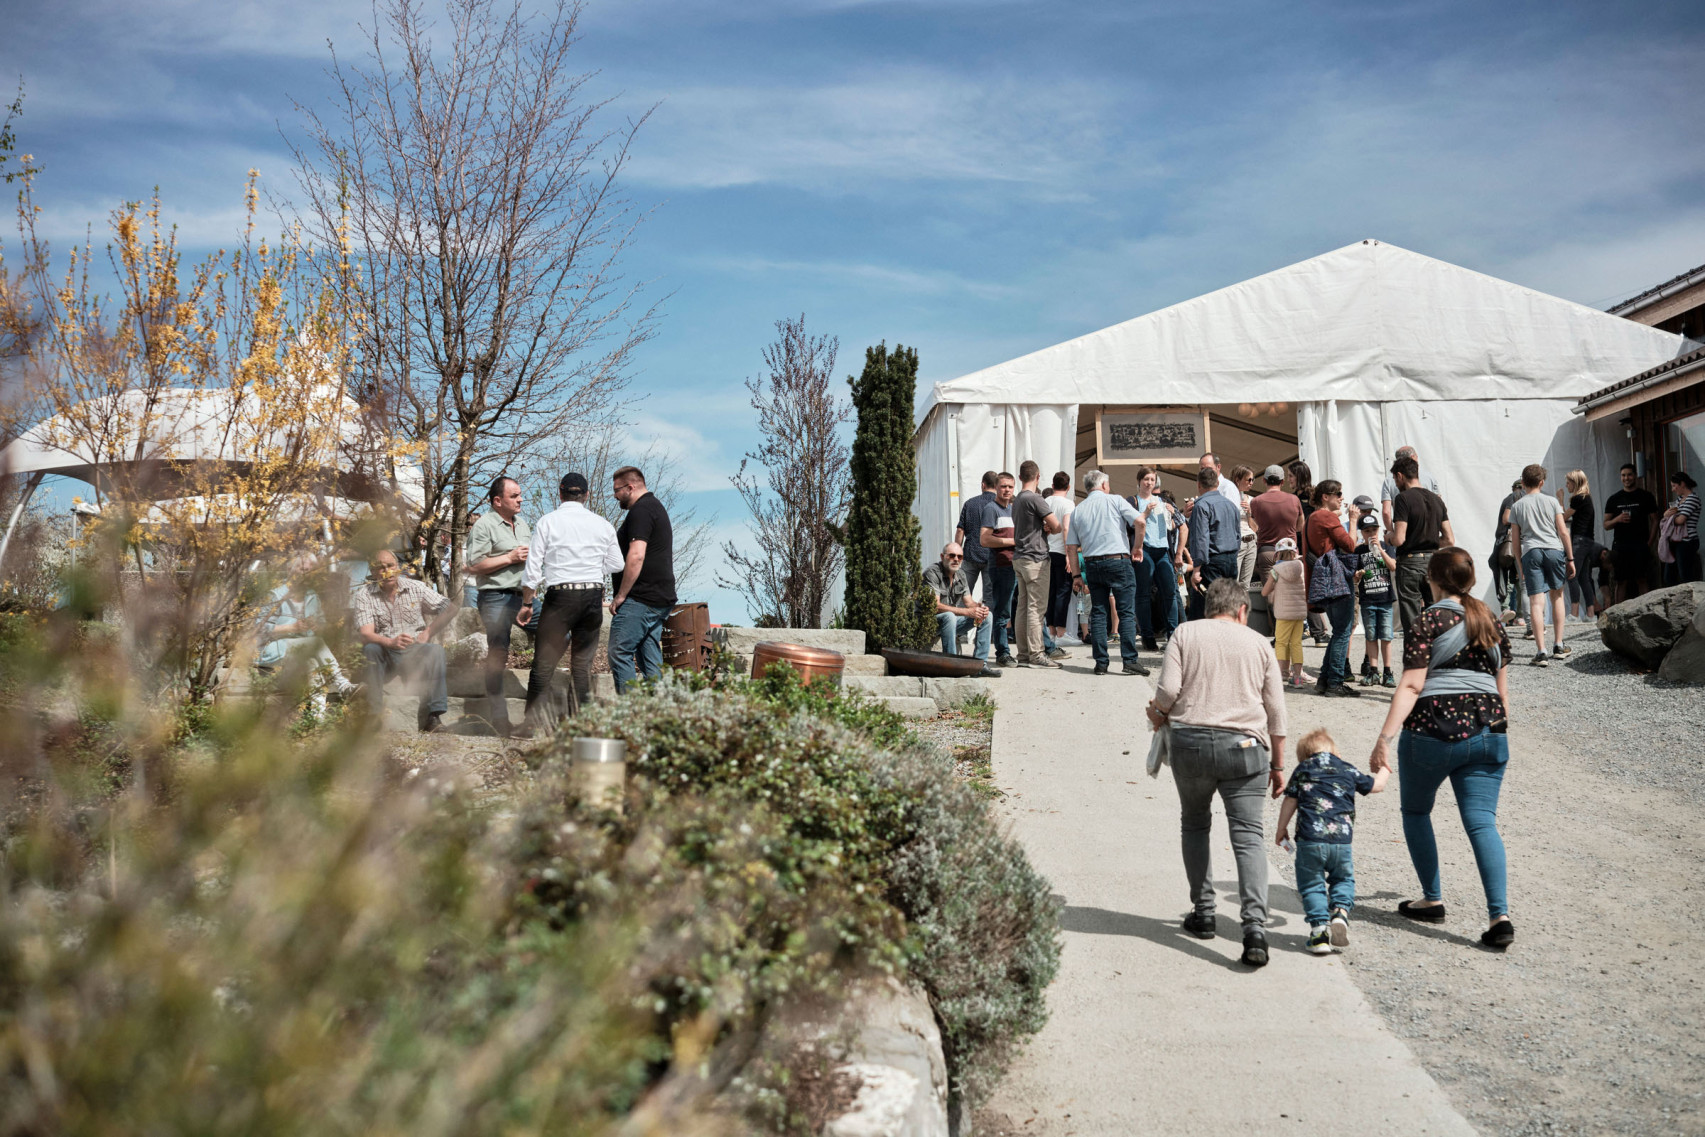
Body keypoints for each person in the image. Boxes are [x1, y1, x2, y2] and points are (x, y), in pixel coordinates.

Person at [1369, 547, 1515, 950]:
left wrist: (1384, 739)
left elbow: (1414, 684)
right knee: (1482, 822)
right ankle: (1499, 915)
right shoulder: (1489, 619)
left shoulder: (1427, 620)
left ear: (1430, 579)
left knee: (1416, 811)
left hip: (1432, 730)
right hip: (1489, 729)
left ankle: (1431, 897)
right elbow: (1501, 692)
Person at [1146, 577, 1288, 969]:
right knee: (1248, 836)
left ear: (1209, 607)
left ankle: (1204, 911)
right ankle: (1255, 928)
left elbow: (1168, 689)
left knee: (1194, 823)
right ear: (1243, 610)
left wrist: (1156, 714)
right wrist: (1278, 765)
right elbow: (1276, 713)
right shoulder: (1259, 643)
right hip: (1245, 750)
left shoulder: (1185, 633)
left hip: (1191, 744)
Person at [514, 473, 624, 736]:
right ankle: (582, 729)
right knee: (581, 667)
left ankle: (530, 726)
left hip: (560, 596)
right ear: (586, 495)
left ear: (560, 493)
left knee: (543, 664)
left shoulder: (547, 522)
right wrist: (592, 567)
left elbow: (532, 570)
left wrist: (527, 603)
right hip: (591, 598)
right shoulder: (603, 525)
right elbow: (617, 564)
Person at [1275, 727, 1389, 954]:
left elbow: (1290, 800)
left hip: (1310, 840)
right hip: (1341, 842)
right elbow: (1378, 786)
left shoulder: (1304, 768)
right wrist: (1385, 768)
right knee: (1343, 879)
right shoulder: (1346, 768)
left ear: (1305, 755)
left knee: (1311, 885)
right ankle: (1340, 913)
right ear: (1335, 751)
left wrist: (1281, 829)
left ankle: (1319, 933)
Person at [353, 548, 456, 732]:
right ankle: (373, 717)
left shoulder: (415, 587)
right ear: (373, 571)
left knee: (436, 650)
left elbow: (449, 607)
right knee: (370, 649)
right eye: (381, 567)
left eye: (391, 565)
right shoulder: (364, 594)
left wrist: (428, 632)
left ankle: (434, 718)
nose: (387, 571)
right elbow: (365, 634)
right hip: (385, 652)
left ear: (398, 567)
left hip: (414, 650)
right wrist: (390, 642)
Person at [1064, 469, 1148, 676]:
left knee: (1099, 612)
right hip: (1118, 560)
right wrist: (1137, 547)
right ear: (1103, 485)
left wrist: (1076, 575)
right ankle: (1129, 660)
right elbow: (1140, 521)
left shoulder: (1078, 510)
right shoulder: (1115, 500)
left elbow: (1071, 547)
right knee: (1126, 612)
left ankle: (1101, 663)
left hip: (1092, 564)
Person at [464, 475, 531, 734]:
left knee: (560, 632)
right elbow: (474, 565)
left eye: (520, 494)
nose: (520, 499)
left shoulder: (523, 524)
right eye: (514, 496)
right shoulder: (483, 525)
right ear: (497, 500)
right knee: (498, 653)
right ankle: (499, 719)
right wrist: (510, 557)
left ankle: (533, 715)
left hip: (523, 597)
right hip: (494, 597)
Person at [256, 557, 363, 709]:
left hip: (302, 650)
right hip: (274, 650)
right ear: (289, 571)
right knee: (316, 643)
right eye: (303, 569)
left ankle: (317, 718)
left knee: (312, 664)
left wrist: (317, 626)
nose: (307, 574)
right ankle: (342, 685)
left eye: (310, 571)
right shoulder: (276, 595)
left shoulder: (312, 596)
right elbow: (259, 629)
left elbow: (322, 625)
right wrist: (292, 628)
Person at [608, 466, 677, 693]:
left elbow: (636, 555)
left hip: (641, 598)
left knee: (619, 652)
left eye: (617, 490)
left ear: (631, 486)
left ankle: (631, 718)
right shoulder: (654, 507)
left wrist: (621, 595)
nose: (615, 495)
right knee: (649, 656)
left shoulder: (642, 510)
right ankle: (658, 718)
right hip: (657, 598)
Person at [1507, 464, 1575, 666]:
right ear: (1542, 482)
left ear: (1523, 482)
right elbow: (1563, 532)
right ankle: (1559, 645)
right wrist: (1570, 558)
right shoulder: (1552, 501)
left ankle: (1541, 651)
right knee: (1557, 596)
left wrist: (1520, 565)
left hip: (1531, 551)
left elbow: (1516, 541)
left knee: (1537, 601)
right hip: (1554, 549)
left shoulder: (1518, 506)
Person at [1304, 480, 1359, 697]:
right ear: (1325, 496)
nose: (1341, 498)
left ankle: (1324, 680)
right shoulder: (1326, 516)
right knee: (1343, 632)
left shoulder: (1311, 518)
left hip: (1323, 581)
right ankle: (1335, 682)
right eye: (1338, 494)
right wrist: (1353, 521)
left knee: (1338, 632)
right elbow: (1350, 545)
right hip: (1336, 581)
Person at [1390, 455, 1455, 636]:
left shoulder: (1402, 499)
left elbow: (1399, 539)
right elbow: (1450, 539)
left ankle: (1416, 660)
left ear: (1400, 476)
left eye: (1395, 479)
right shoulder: (1437, 500)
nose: (1396, 483)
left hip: (1410, 563)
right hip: (1433, 561)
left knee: (1411, 620)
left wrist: (1389, 537)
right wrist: (1430, 541)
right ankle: (1438, 657)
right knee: (1436, 615)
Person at [1008, 460, 1064, 668]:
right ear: (1038, 477)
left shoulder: (1018, 500)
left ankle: (1023, 654)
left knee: (1022, 607)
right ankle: (1036, 653)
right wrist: (1049, 528)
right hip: (1036, 558)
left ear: (1020, 477)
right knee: (1035, 608)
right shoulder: (1036, 499)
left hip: (1020, 556)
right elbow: (1057, 526)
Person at [1128, 466, 1178, 650]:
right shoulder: (1133, 501)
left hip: (1163, 550)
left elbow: (1176, 525)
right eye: (1146, 479)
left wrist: (1172, 515)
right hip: (1144, 549)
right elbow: (1129, 523)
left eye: (1152, 479)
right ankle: (1147, 636)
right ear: (1139, 481)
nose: (1149, 482)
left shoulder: (1163, 500)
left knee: (1170, 592)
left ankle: (1173, 634)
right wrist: (1146, 512)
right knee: (1143, 593)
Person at [1185, 466, 1241, 622]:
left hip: (1212, 560)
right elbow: (1237, 535)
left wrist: (1196, 569)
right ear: (1217, 483)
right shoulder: (1230, 505)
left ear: (1198, 485)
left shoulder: (1201, 506)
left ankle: (1197, 641)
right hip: (1230, 558)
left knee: (1207, 605)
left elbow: (1200, 539)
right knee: (1227, 603)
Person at [977, 473, 1019, 667]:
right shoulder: (991, 509)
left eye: (1010, 486)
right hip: (1001, 567)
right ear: (996, 487)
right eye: (1003, 486)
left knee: (1020, 609)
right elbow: (984, 540)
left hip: (1018, 565)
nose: (1007, 490)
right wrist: (1012, 541)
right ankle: (1002, 652)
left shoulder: (1015, 508)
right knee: (1002, 612)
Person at [925, 543, 992, 664]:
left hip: (951, 623)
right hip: (929, 623)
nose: (956, 559)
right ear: (942, 556)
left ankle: (980, 664)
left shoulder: (961, 575)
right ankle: (952, 663)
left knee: (987, 616)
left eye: (960, 557)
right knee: (949, 616)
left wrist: (979, 608)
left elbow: (969, 602)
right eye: (952, 556)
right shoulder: (932, 573)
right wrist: (966, 612)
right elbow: (934, 606)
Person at [1603, 464, 1659, 603]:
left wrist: (1650, 543)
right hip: (1620, 545)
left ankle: (1645, 611)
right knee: (1621, 581)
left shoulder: (1646, 496)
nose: (1626, 478)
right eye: (1623, 475)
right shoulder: (1614, 499)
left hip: (1641, 544)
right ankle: (1618, 613)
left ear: (1635, 476)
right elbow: (1606, 525)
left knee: (1642, 579)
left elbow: (1656, 520)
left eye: (1629, 475)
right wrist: (1617, 519)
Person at [1260, 537, 1311, 687]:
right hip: (1299, 613)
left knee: (1281, 643)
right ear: (1294, 552)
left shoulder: (1276, 570)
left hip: (1283, 614)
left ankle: (1279, 675)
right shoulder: (1301, 567)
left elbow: (1264, 592)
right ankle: (1297, 678)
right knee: (1296, 644)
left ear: (1277, 554)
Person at [1354, 514, 1398, 687]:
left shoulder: (1386, 546)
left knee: (1386, 636)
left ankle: (1388, 671)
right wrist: (1357, 575)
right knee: (1371, 636)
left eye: (1374, 529)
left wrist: (1380, 549)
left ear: (1378, 530)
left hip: (1385, 598)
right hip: (1368, 599)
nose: (1371, 533)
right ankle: (1373, 671)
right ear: (1361, 533)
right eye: (1367, 531)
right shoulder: (1358, 551)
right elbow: (1355, 577)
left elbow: (1393, 566)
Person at [1289, 460, 1329, 646]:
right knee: (1305, 588)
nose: (1289, 479)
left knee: (1312, 588)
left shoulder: (1312, 495)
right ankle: (1319, 630)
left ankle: (1319, 631)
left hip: (1311, 548)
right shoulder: (1292, 497)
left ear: (1300, 476)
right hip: (1297, 546)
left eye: (1291, 476)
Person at [1250, 464, 1303, 584]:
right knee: (1290, 591)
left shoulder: (1256, 501)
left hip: (1266, 551)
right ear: (1282, 482)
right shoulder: (1294, 500)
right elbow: (1300, 526)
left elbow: (1253, 527)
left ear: (1264, 480)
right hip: (1289, 551)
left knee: (1271, 595)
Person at [955, 470, 999, 610]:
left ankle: (960, 630)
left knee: (963, 594)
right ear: (997, 486)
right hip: (991, 555)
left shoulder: (970, 504)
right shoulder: (999, 506)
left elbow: (960, 530)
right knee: (989, 597)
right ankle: (987, 629)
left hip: (970, 553)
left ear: (983, 485)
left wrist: (957, 551)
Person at [1560, 470, 1599, 620]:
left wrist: (1560, 499)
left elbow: (1563, 517)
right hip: (1589, 541)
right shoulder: (1586, 498)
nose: (1566, 485)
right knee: (1584, 577)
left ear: (1575, 483)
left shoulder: (1578, 498)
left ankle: (1574, 613)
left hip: (1580, 541)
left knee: (1571, 574)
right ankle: (1590, 613)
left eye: (1568, 483)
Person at [1045, 471, 1078, 645]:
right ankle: (1061, 632)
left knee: (1050, 592)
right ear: (1069, 487)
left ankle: (1050, 631)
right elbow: (1066, 528)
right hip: (1060, 551)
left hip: (1045, 552)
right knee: (1063, 591)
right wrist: (1068, 555)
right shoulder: (1068, 504)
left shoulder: (1046, 501)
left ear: (1052, 486)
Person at [1379, 445, 1442, 530]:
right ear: (1413, 458)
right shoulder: (1430, 477)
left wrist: (1391, 532)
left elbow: (1386, 512)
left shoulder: (1389, 480)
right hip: (1429, 531)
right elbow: (1439, 506)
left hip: (1403, 531)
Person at [1492, 478, 1527, 624]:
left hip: (1507, 544)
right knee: (1518, 580)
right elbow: (1507, 519)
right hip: (1515, 544)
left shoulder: (1512, 497)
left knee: (1506, 578)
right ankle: (1519, 616)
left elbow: (1505, 519)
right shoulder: (1519, 499)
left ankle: (1506, 609)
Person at [1662, 471, 1701, 585]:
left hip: (1687, 540)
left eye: (1674, 486)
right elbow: (1669, 514)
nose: (1673, 489)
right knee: (1669, 576)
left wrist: (1669, 518)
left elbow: (1680, 520)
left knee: (1685, 574)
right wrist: (1667, 516)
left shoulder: (1692, 498)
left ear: (1682, 484)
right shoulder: (1679, 500)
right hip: (1675, 540)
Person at [1228, 465, 1259, 589]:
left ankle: (1244, 609)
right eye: (1248, 480)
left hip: (1251, 541)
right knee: (1233, 583)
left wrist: (1249, 514)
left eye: (1253, 480)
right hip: (1237, 542)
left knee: (1245, 585)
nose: (1251, 483)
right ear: (1237, 479)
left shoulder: (1251, 500)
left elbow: (1256, 528)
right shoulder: (1228, 498)